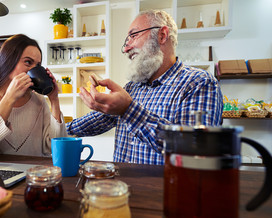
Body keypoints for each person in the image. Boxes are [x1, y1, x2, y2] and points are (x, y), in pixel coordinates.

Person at [66, 10, 223, 165]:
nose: (126, 49)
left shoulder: (199, 83)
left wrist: (128, 110)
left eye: (133, 36)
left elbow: (195, 151)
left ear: (162, 35)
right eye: (126, 42)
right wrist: (60, 131)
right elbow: (102, 119)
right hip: (122, 187)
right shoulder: (133, 87)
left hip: (165, 190)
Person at [0, 34, 67, 156]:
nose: (33, 70)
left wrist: (54, 99)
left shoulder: (39, 101)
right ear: (7, 61)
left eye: (38, 66)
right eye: (28, 62)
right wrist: (9, 98)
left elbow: (53, 149)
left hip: (35, 173)